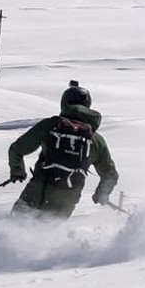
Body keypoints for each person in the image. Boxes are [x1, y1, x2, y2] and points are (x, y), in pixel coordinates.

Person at [7, 81, 118, 219]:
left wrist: (18, 172)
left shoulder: (51, 125)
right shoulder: (96, 140)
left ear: (64, 103)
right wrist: (102, 194)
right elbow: (110, 175)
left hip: (35, 193)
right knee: (46, 238)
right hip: (65, 202)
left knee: (13, 228)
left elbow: (16, 150)